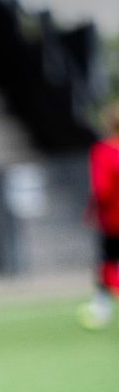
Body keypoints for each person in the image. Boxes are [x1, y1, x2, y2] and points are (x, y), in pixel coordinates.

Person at [78, 102, 119, 330]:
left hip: (113, 219)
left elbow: (101, 189)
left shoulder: (104, 150)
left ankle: (102, 308)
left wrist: (92, 210)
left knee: (106, 263)